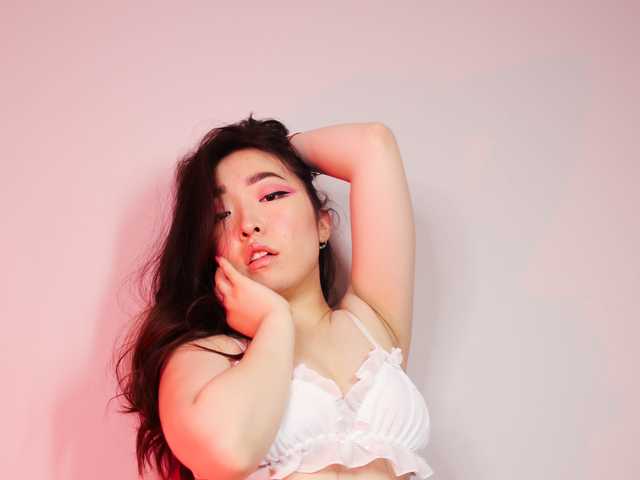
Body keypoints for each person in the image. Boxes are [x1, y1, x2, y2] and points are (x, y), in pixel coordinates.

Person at [112, 113, 433, 479]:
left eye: (272, 194)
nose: (248, 224)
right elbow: (229, 454)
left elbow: (373, 145)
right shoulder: (202, 356)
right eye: (221, 215)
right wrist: (273, 322)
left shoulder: (371, 322)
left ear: (322, 224)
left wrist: (275, 147)